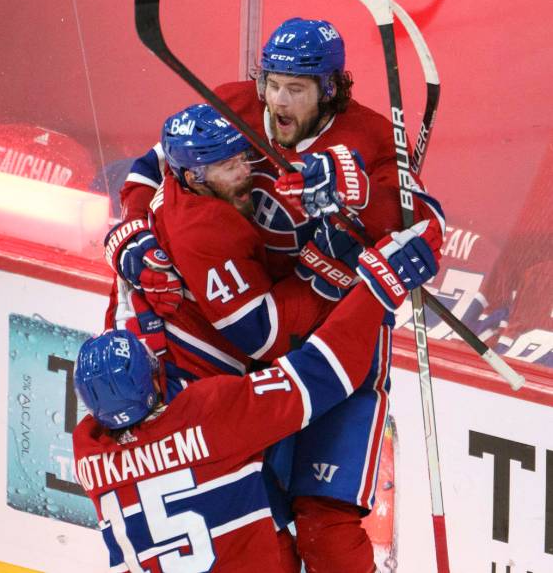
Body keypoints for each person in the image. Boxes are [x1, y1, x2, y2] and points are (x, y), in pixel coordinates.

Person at [103, 19, 445, 571]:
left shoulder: (373, 137)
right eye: (273, 84)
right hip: (254, 347)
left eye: (297, 88)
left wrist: (363, 198)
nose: (278, 102)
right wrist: (134, 228)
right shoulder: (231, 106)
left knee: (325, 525)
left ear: (330, 88)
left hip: (341, 337)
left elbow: (428, 226)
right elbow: (153, 166)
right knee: (254, 515)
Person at [73, 217, 442, 573]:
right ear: (154, 382)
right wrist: (379, 287)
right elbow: (323, 373)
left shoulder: (88, 453)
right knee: (327, 537)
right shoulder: (208, 416)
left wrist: (122, 243)